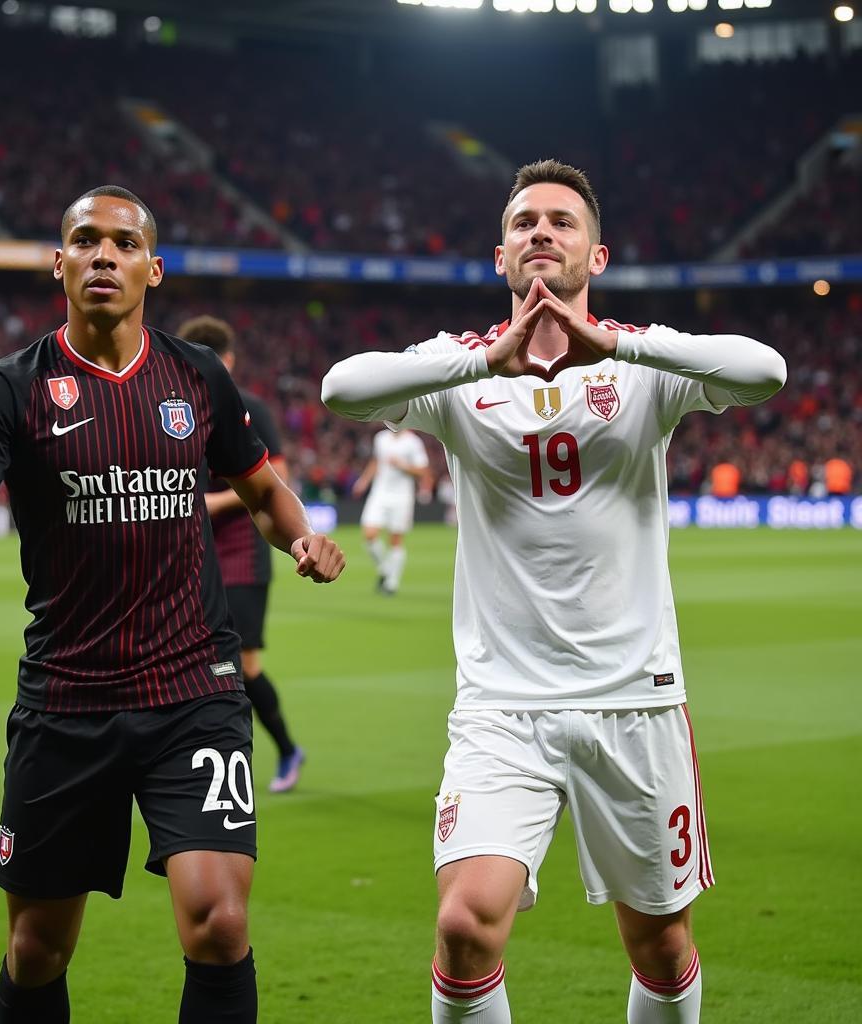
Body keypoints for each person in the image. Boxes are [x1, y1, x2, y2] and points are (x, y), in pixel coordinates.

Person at [322, 159, 786, 1024]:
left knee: (661, 945)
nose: (541, 231)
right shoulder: (459, 369)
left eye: (561, 222)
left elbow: (766, 371)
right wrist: (482, 365)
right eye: (524, 222)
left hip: (636, 701)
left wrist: (614, 344)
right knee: (464, 928)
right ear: (500, 256)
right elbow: (340, 389)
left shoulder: (643, 365)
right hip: (503, 705)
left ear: (595, 254)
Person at [0, 185, 345, 1024]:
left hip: (195, 690)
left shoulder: (197, 377)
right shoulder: (10, 389)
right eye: (84, 241)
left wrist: (298, 535)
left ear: (153, 268)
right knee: (38, 949)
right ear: (60, 264)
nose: (103, 255)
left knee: (220, 924)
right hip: (67, 703)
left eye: (122, 243)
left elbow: (261, 488)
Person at [175, 314, 305, 793]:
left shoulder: (249, 407)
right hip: (191, 556)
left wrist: (209, 502)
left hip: (243, 552)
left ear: (225, 361)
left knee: (243, 667)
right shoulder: (172, 407)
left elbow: (278, 478)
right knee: (201, 667)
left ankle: (287, 750)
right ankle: (208, 768)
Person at [351, 426, 430, 595]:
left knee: (395, 539)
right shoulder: (381, 438)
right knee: (369, 534)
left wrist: (402, 465)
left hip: (402, 496)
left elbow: (422, 470)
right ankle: (386, 570)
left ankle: (391, 584)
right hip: (379, 493)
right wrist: (364, 481)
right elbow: (376, 462)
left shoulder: (413, 442)